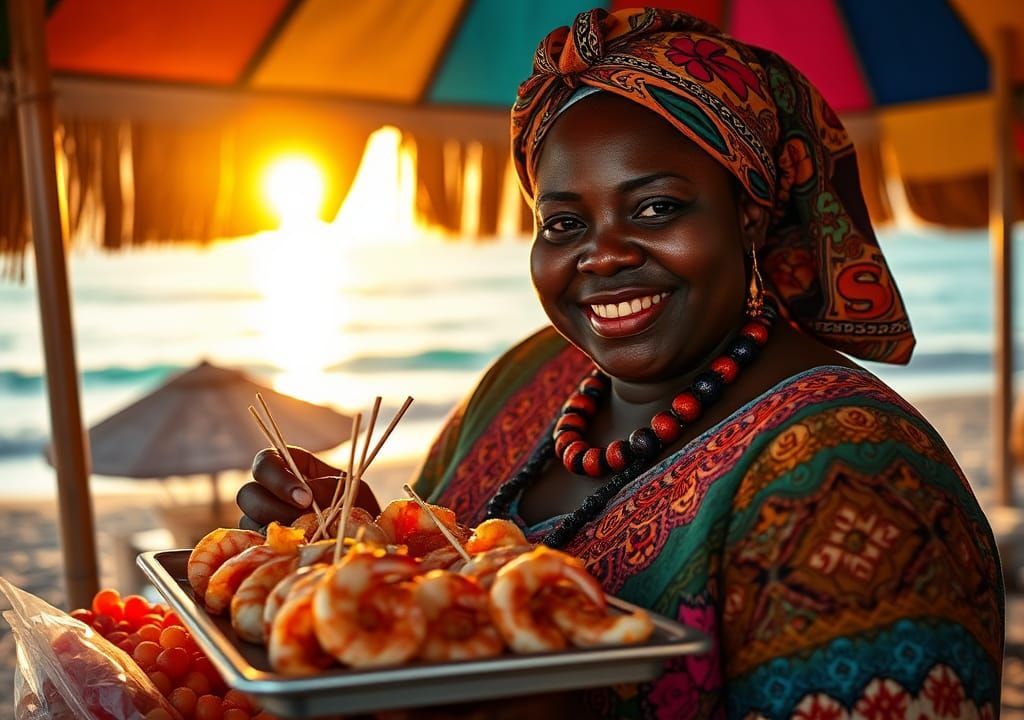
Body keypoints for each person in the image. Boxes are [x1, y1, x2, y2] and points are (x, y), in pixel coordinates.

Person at [238, 7, 1003, 718]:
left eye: (656, 207)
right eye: (565, 221)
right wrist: (361, 544)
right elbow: (439, 581)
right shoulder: (527, 377)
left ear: (748, 211)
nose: (601, 254)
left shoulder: (857, 478)